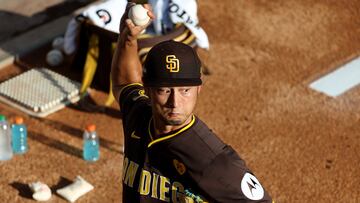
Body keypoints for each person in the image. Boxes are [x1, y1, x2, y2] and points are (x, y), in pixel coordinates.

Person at [111, 3, 273, 203]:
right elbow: (125, 82)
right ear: (148, 90)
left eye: (184, 90)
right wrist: (127, 38)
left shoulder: (213, 160)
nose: (175, 102)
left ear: (198, 89)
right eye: (164, 90)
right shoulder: (138, 116)